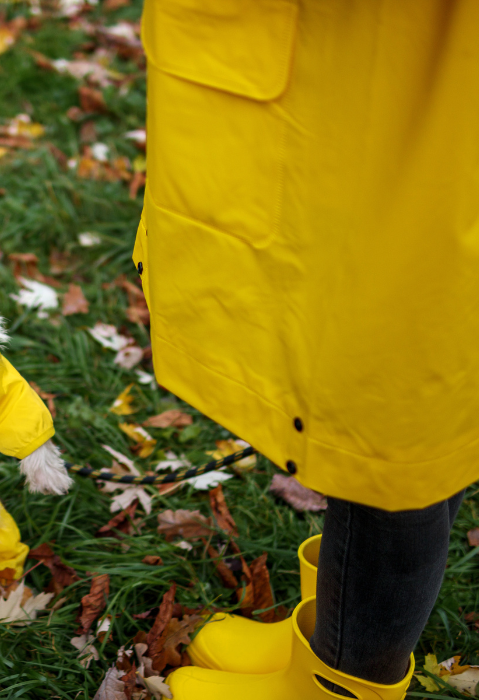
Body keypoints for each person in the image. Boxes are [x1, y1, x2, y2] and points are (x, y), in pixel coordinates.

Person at [132, 1, 479, 698]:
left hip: (404, 77)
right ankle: (329, 643)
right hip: (345, 81)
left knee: (388, 409)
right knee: (373, 382)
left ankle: (341, 682)